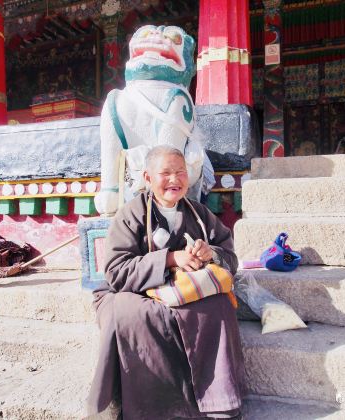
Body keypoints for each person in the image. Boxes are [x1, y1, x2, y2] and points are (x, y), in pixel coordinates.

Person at [87, 145, 244, 419]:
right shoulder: (131, 214)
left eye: (181, 172)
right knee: (130, 314)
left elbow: (229, 256)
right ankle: (155, 409)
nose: (175, 179)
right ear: (148, 178)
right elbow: (115, 271)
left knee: (218, 305)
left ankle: (218, 403)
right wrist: (171, 259)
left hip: (185, 290)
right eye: (166, 173)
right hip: (137, 291)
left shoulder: (199, 213)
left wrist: (211, 254)